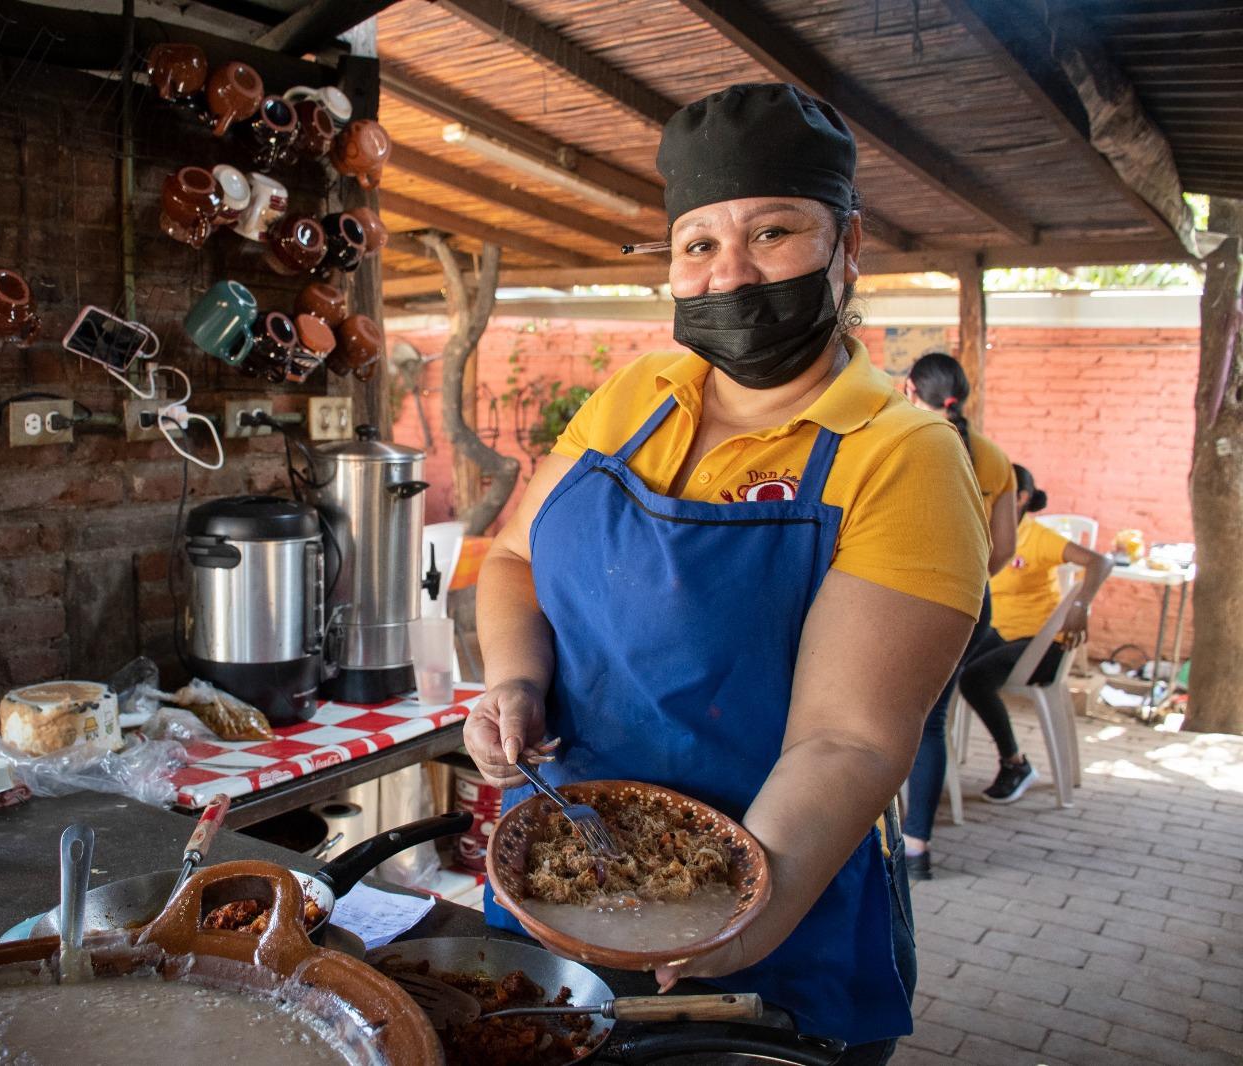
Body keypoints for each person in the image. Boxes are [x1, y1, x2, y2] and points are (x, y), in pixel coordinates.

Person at [464, 83, 990, 1062]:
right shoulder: (637, 394)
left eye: (774, 231)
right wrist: (515, 682)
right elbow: (513, 558)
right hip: (556, 877)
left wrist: (718, 914)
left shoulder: (901, 452)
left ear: (848, 245)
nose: (729, 271)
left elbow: (847, 741)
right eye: (698, 242)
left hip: (762, 913)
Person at [898, 353, 1016, 879]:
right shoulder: (993, 457)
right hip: (971, 602)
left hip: (899, 600)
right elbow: (1003, 549)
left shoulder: (902, 441)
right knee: (931, 723)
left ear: (908, 388)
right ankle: (917, 847)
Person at [960, 465, 1113, 802]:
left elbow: (1100, 562)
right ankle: (937, 759)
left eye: (997, 496)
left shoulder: (1036, 536)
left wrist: (1081, 605)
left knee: (974, 679)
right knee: (949, 664)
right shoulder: (985, 533)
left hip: (1042, 645)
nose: (988, 502)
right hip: (1001, 632)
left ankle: (1015, 763)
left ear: (1021, 498)